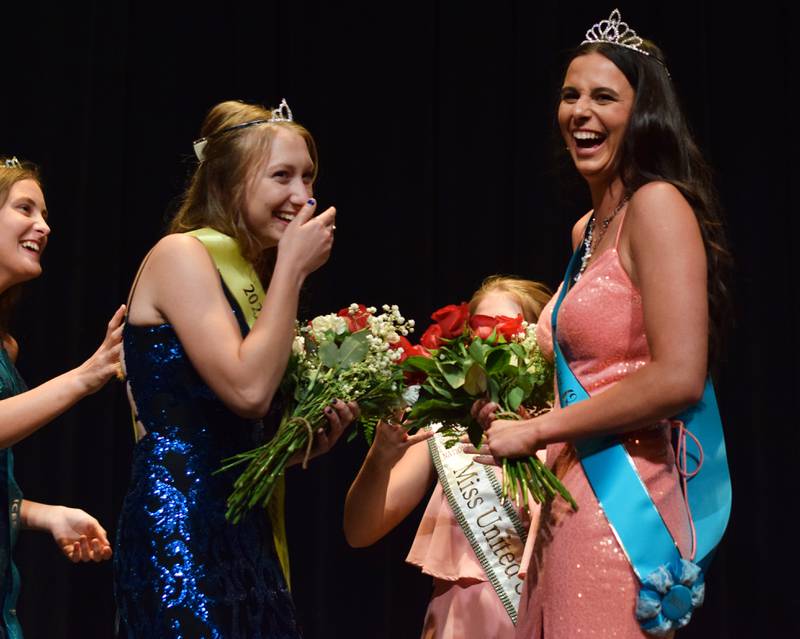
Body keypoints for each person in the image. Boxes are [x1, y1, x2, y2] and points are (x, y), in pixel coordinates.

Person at [469, 10, 731, 638]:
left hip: (623, 506)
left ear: (644, 115)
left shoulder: (658, 207)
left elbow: (678, 378)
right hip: (566, 503)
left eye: (603, 97)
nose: (580, 111)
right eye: (570, 95)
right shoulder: (586, 234)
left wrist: (540, 433)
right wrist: (519, 417)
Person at [113, 99, 359, 639]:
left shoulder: (246, 270)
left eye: (308, 177)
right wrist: (292, 268)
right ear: (227, 182)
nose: (304, 196)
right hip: (183, 526)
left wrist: (297, 448)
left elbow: (230, 431)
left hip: (238, 526)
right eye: (282, 177)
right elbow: (248, 392)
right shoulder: (182, 254)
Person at [344, 276, 551, 639]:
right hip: (460, 624)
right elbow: (360, 532)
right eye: (477, 331)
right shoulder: (447, 429)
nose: (487, 344)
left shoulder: (562, 424)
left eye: (504, 330)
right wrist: (379, 458)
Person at [0, 157, 121, 637]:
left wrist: (43, 514)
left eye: (44, 213)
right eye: (24, 208)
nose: (43, 226)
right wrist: (88, 375)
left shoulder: (7, 346)